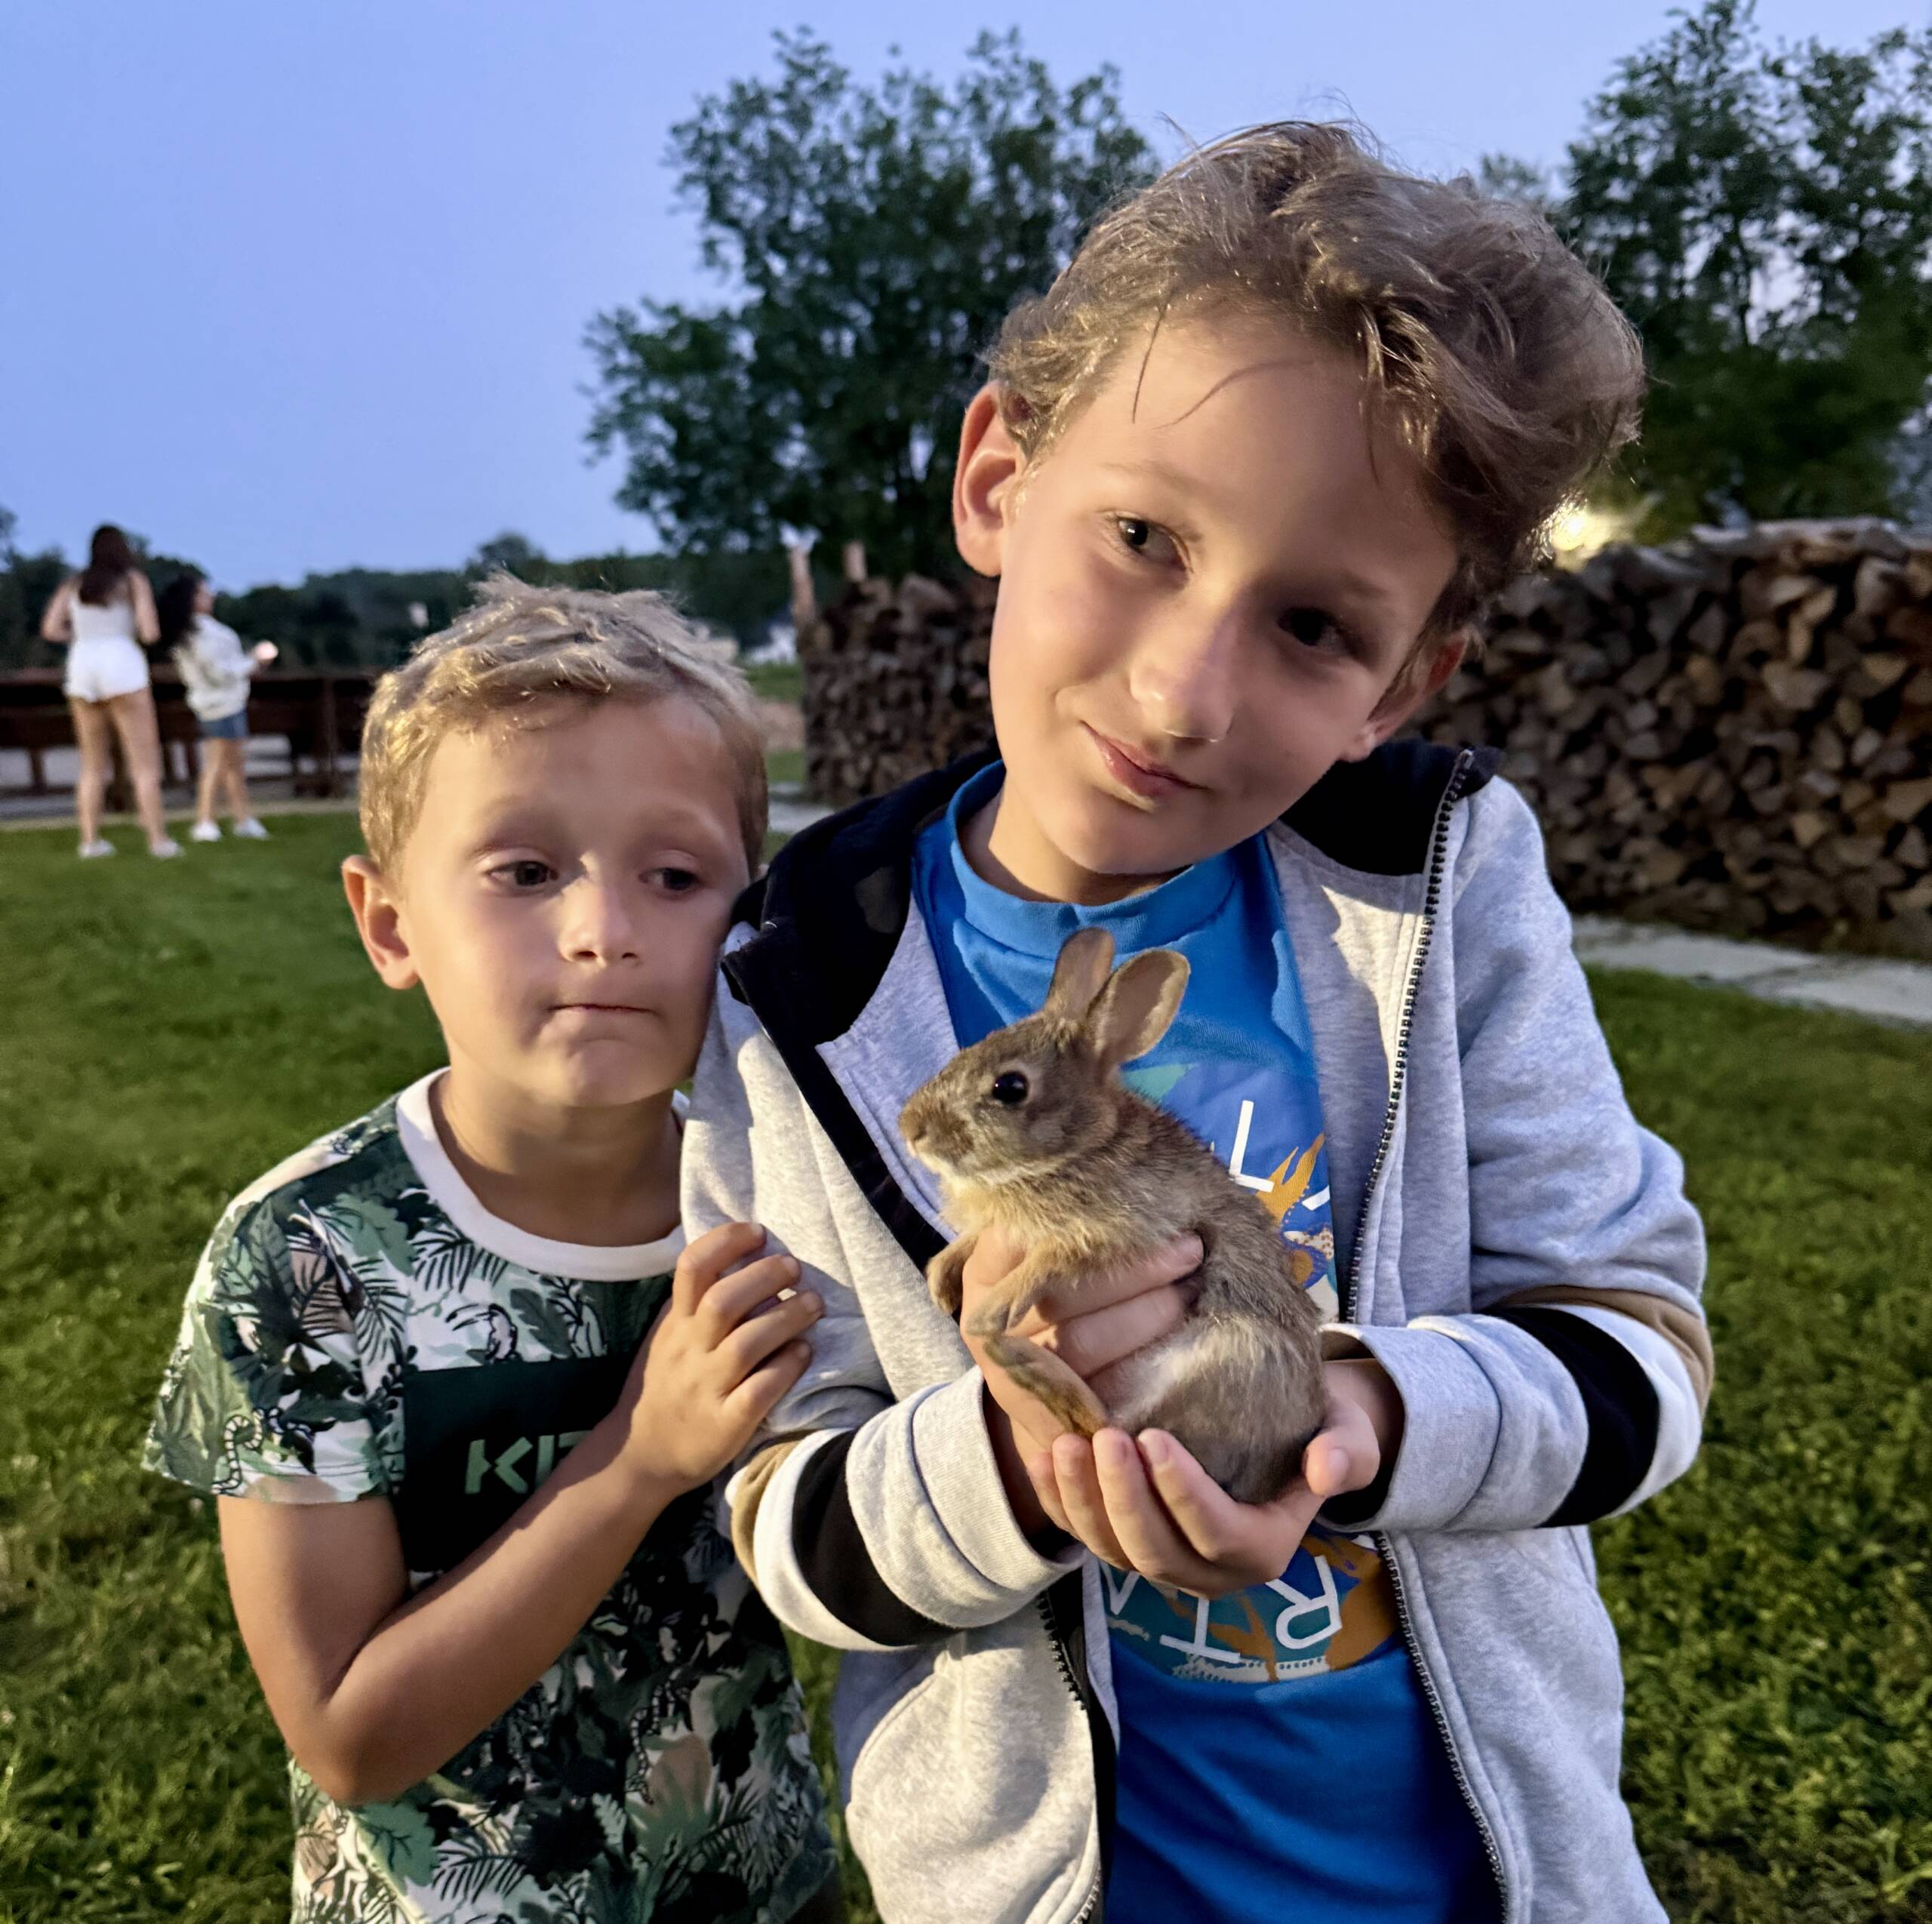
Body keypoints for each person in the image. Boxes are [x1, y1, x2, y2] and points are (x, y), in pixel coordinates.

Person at [683, 123, 1711, 1924]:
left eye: (1311, 624)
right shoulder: (792, 978)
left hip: (1480, 1881)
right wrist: (1023, 1460)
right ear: (997, 476)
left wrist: (1345, 1415)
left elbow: (1639, 1351)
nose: (1179, 691)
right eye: (1143, 536)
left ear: (1406, 680)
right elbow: (781, 1515)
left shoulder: (1437, 880)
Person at [143, 578, 841, 1923]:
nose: (602, 930)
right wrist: (639, 1456)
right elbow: (349, 1734)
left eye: (675, 875)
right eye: (525, 872)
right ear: (390, 922)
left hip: (763, 1886)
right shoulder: (306, 1258)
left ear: (747, 916)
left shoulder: (781, 1199)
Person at [38, 523, 180, 858]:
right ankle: (157, 839)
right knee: (143, 764)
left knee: (92, 765)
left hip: (83, 668)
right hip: (123, 667)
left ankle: (90, 840)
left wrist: (80, 635)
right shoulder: (132, 581)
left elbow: (51, 629)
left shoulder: (74, 584)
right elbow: (149, 631)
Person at [156, 571, 275, 842]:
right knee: (218, 764)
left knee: (233, 764)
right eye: (202, 592)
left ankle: (242, 818)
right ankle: (205, 820)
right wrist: (253, 663)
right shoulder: (203, 634)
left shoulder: (189, 633)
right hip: (221, 705)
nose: (209, 595)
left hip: (216, 703)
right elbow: (219, 673)